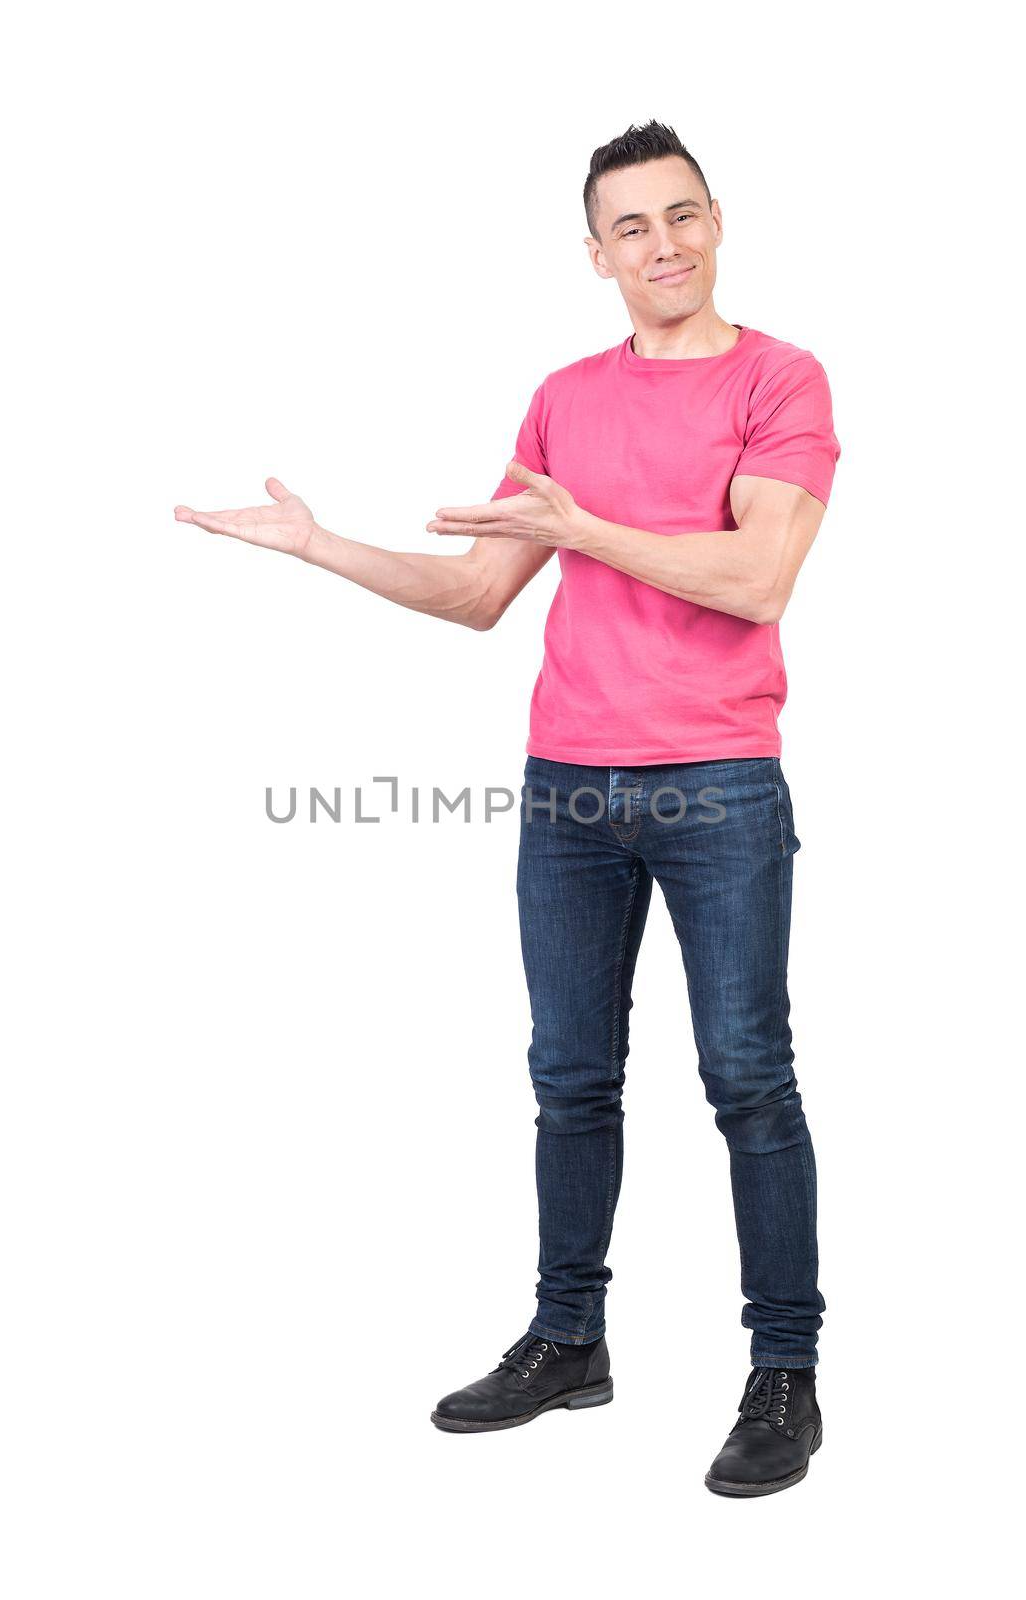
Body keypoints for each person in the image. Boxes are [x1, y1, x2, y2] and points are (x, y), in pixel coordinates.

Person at [174, 119, 840, 1498]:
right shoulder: (563, 398)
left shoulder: (783, 378)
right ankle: (567, 1338)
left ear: (717, 223)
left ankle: (785, 1375)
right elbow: (481, 593)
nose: (665, 245)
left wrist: (587, 531)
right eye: (633, 228)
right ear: (596, 254)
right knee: (568, 1078)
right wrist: (321, 549)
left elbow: (757, 576)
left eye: (684, 215)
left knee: (747, 1078)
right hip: (569, 793)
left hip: (719, 784)